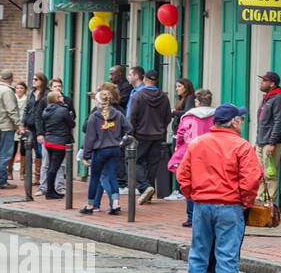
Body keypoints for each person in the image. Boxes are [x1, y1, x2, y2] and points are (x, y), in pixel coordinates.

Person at [178, 105, 262, 273]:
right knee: (226, 254)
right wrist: (245, 201)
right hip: (229, 205)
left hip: (202, 204)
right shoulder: (242, 146)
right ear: (234, 122)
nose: (242, 122)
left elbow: (183, 175)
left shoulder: (198, 143)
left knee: (199, 252)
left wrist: (192, 194)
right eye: (240, 119)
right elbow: (251, 178)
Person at [81, 87, 130, 215]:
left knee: (95, 178)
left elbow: (89, 139)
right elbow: (129, 128)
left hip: (100, 151)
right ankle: (115, 203)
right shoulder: (118, 115)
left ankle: (90, 205)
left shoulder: (94, 117)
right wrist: (120, 140)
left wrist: (85, 156)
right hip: (115, 149)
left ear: (98, 102)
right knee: (112, 177)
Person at [170, 90, 215, 228]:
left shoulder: (188, 117)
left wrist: (178, 150)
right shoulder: (216, 116)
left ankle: (191, 216)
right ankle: (207, 215)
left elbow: (181, 135)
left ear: (197, 101)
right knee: (208, 184)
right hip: (210, 154)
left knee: (190, 184)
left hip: (190, 154)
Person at [128, 71, 171, 204]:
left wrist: (132, 132)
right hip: (158, 135)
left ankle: (145, 187)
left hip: (141, 134)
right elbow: (167, 117)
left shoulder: (138, 95)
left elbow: (132, 116)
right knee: (153, 164)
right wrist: (161, 128)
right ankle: (148, 193)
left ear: (145, 79)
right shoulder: (164, 97)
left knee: (134, 161)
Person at [256, 71, 281, 206]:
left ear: (272, 84)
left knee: (270, 174)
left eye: (264, 81)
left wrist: (272, 142)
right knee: (259, 172)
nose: (261, 82)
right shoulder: (268, 98)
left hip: (271, 143)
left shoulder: (279, 98)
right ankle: (260, 198)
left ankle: (269, 203)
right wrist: (258, 142)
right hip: (262, 142)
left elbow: (279, 122)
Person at [38, 90, 75, 200]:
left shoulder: (46, 110)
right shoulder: (63, 110)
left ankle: (51, 190)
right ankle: (50, 192)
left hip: (48, 141)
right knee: (54, 167)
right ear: (57, 99)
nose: (63, 97)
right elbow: (71, 124)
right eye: (60, 96)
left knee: (50, 167)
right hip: (59, 142)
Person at [0, 69, 21, 187]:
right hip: (5, 126)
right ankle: (2, 181)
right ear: (11, 78)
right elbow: (11, 110)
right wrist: (19, 124)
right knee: (5, 154)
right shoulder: (7, 91)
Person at [22, 73, 48, 188]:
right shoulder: (31, 94)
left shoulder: (46, 94)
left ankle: (38, 177)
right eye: (33, 79)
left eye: (36, 79)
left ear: (42, 81)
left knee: (39, 151)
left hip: (41, 126)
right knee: (28, 149)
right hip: (30, 125)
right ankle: (30, 175)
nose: (34, 81)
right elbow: (26, 108)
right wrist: (23, 122)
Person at [13, 81, 28, 181]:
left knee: (23, 149)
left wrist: (23, 126)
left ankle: (22, 172)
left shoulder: (27, 100)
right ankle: (9, 171)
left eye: (21, 88)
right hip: (13, 127)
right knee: (12, 150)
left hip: (24, 127)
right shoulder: (12, 99)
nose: (19, 90)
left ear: (25, 90)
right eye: (18, 88)